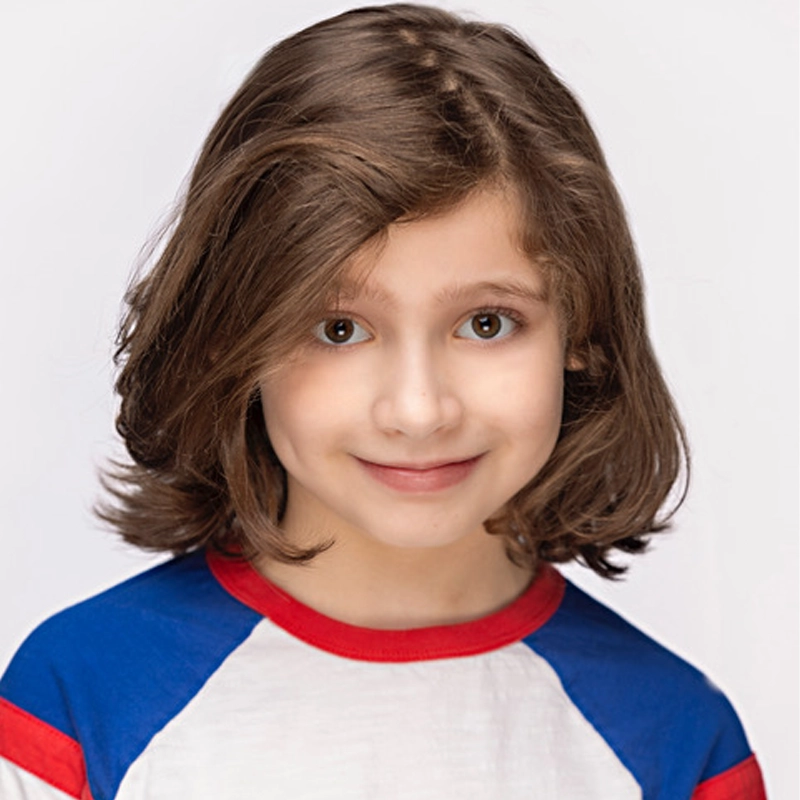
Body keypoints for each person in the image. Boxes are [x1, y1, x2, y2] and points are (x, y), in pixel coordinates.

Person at [0, 4, 767, 799]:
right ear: (234, 332)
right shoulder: (77, 705)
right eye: (338, 328)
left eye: (486, 322)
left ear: (584, 326)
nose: (418, 409)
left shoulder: (674, 741)